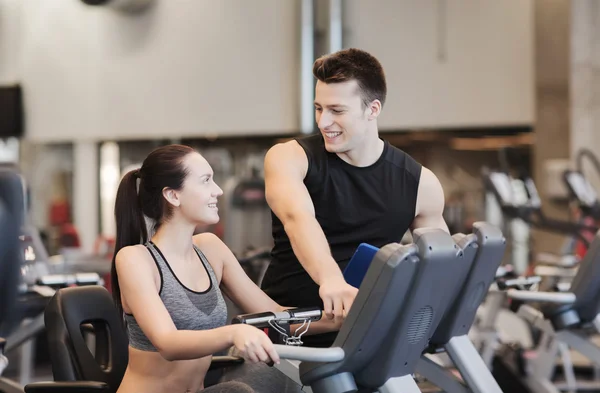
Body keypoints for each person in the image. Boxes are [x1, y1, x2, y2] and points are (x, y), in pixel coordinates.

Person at [111, 145, 340, 393]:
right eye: (206, 181)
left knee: (278, 373)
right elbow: (168, 342)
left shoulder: (210, 249)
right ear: (173, 196)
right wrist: (234, 333)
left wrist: (343, 317)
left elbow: (274, 314)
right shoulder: (136, 260)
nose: (218, 191)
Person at [261, 48, 450, 348]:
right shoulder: (289, 158)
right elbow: (298, 219)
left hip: (368, 336)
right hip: (290, 333)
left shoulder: (420, 183)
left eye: (337, 110)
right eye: (318, 108)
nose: (323, 122)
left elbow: (440, 268)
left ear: (372, 109)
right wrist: (330, 279)